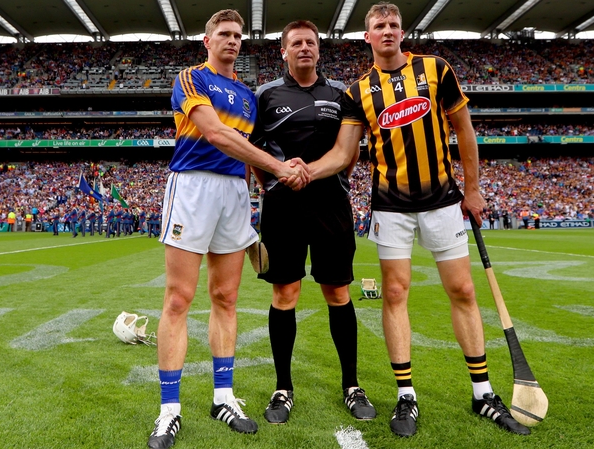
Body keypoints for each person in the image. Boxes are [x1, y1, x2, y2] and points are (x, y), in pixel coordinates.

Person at [293, 2, 529, 438]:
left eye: (393, 25)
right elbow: (344, 154)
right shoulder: (358, 90)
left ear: (403, 32)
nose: (387, 31)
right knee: (396, 292)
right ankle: (406, 395)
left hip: (442, 200)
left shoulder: (436, 70)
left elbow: (464, 129)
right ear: (367, 37)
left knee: (461, 289)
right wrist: (304, 169)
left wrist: (473, 189)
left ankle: (482, 393)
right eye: (379, 26)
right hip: (390, 205)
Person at [147, 9, 309, 449]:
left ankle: (223, 397)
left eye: (238, 35)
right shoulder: (190, 78)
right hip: (193, 188)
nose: (233, 40)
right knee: (179, 298)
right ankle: (169, 411)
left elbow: (249, 151)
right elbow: (216, 134)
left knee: (226, 297)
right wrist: (279, 167)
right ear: (207, 39)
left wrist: (271, 186)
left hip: (236, 194)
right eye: (224, 34)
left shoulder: (248, 95)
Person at [249, 19, 375, 426]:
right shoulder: (264, 94)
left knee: (337, 292)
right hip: (283, 207)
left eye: (311, 42)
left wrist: (306, 172)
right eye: (296, 43)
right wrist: (280, 178)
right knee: (284, 293)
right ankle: (282, 387)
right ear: (283, 51)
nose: (305, 48)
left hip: (330, 203)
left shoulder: (341, 94)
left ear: (319, 49)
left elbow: (348, 152)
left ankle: (351, 385)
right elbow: (253, 153)